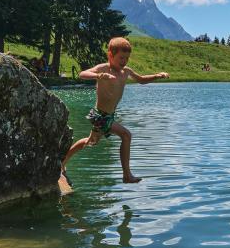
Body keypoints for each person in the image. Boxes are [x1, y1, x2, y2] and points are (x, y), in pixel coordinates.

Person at [61, 37, 169, 184]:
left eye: (126, 58)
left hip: (109, 115)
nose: (124, 61)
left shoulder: (126, 72)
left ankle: (63, 161)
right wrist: (99, 76)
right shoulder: (103, 69)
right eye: (121, 58)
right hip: (100, 115)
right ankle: (127, 175)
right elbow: (82, 74)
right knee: (126, 135)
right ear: (110, 55)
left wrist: (157, 75)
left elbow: (142, 79)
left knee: (91, 141)